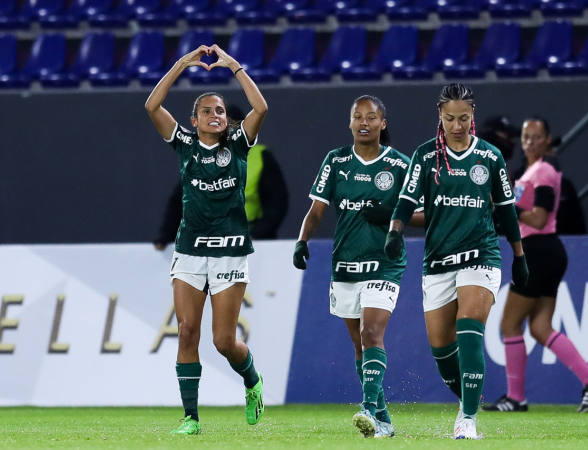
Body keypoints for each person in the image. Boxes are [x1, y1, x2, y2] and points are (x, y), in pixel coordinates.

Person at [384, 83, 529, 440]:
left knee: (469, 325)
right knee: (441, 348)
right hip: (438, 261)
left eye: (464, 118)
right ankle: (470, 399)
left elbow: (507, 212)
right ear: (440, 115)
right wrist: (395, 230)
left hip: (481, 255)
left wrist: (519, 255)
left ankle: (467, 419)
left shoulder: (491, 157)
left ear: (473, 115)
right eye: (450, 118)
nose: (457, 125)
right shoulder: (425, 156)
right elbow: (406, 199)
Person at [145, 44, 268, 435]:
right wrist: (182, 63)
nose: (216, 116)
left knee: (223, 341)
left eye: (220, 111)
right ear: (193, 120)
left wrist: (234, 66)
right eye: (207, 111)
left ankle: (252, 382)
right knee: (186, 331)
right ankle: (190, 417)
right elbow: (151, 106)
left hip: (231, 254)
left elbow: (261, 108)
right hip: (190, 252)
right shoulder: (183, 144)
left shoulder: (239, 144)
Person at [292, 95, 424, 439]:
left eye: (372, 116)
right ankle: (383, 420)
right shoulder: (336, 162)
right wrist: (302, 240)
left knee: (371, 333)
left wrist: (394, 216)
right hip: (346, 264)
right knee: (358, 345)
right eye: (357, 116)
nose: (364, 122)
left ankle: (367, 408)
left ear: (383, 123)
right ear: (350, 123)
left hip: (385, 263)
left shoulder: (399, 165)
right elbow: (317, 210)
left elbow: (428, 213)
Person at [483, 117, 588, 414]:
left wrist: (506, 205)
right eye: (526, 136)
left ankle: (516, 398)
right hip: (548, 252)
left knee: (509, 324)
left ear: (548, 140)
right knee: (540, 327)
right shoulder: (533, 171)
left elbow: (538, 219)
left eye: (537, 136)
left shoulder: (543, 171)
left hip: (538, 251)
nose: (530, 141)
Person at [153, 106, 288, 249]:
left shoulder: (259, 157)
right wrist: (166, 235)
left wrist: (259, 234)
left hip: (250, 239)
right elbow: (180, 202)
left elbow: (277, 203)